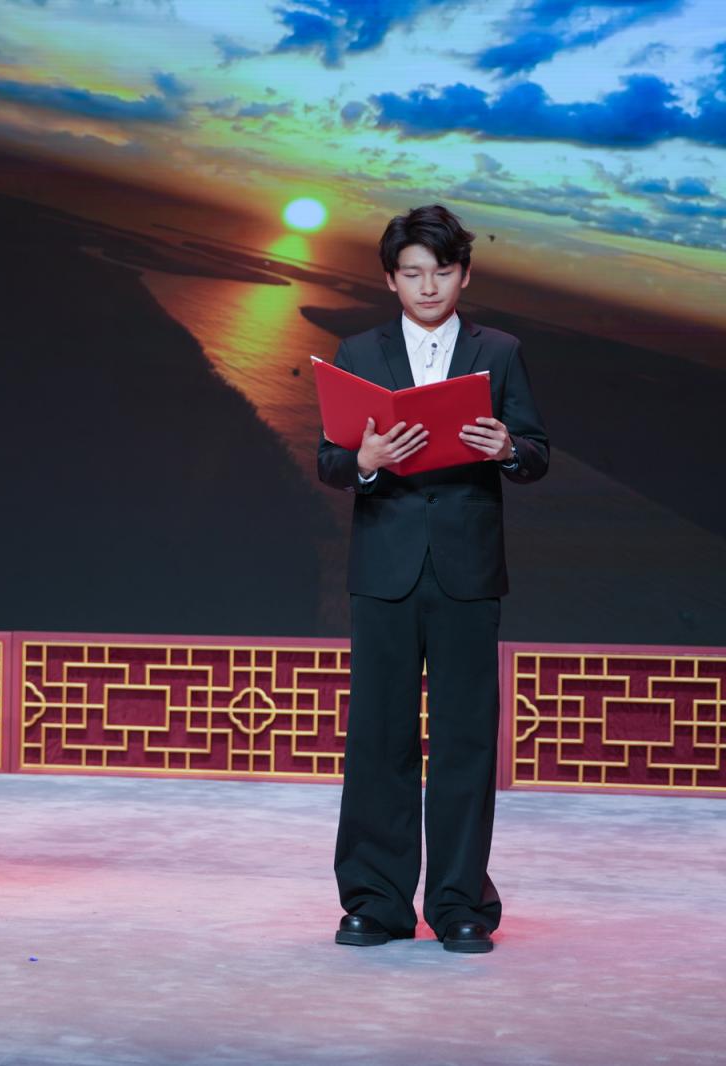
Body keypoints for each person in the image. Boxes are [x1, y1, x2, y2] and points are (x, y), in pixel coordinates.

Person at [318, 205, 548, 953]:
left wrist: (506, 447)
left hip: (466, 571)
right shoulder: (358, 351)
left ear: (464, 275)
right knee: (377, 737)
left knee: (465, 741)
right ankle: (375, 902)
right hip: (384, 569)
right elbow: (328, 459)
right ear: (390, 279)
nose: (428, 287)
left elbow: (536, 452)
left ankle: (459, 904)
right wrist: (365, 462)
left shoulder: (499, 352)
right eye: (412, 273)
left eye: (441, 272)